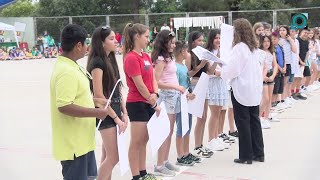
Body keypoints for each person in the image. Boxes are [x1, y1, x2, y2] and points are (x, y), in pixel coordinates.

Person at [50, 24, 110, 180]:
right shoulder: (66, 72)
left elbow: (77, 97)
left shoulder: (73, 67)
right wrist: (96, 112)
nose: (87, 47)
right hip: (74, 146)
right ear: (78, 45)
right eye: (85, 43)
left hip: (84, 143)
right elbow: (64, 106)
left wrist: (94, 101)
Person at [221, 18, 265, 164]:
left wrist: (220, 72)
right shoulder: (254, 48)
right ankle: (258, 153)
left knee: (242, 122)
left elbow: (233, 70)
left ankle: (246, 155)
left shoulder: (239, 47)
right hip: (253, 89)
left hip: (241, 89)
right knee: (254, 121)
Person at [87, 26, 128, 180]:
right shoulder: (97, 63)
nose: (115, 41)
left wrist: (124, 111)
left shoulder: (110, 59)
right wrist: (116, 118)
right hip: (105, 114)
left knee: (107, 155)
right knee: (114, 157)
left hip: (115, 109)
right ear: (102, 43)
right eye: (111, 39)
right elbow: (98, 95)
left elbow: (116, 88)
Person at [123, 23, 160, 180]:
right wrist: (151, 100)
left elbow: (152, 78)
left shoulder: (145, 56)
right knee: (136, 141)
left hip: (149, 101)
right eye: (146, 36)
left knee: (144, 139)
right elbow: (139, 83)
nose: (148, 39)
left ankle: (143, 172)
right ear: (136, 36)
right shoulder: (130, 57)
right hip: (137, 103)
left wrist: (156, 94)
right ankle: (135, 175)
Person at [152, 30, 184, 177]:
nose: (174, 44)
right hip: (167, 96)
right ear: (164, 42)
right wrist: (175, 87)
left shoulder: (168, 58)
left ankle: (164, 161)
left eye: (174, 42)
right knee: (165, 131)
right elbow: (156, 83)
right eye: (171, 42)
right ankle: (159, 164)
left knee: (170, 131)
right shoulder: (160, 59)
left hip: (174, 95)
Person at [185, 31, 213, 158]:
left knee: (204, 116)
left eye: (203, 40)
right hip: (195, 85)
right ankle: (197, 146)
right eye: (199, 40)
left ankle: (200, 144)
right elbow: (188, 74)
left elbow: (210, 72)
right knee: (198, 116)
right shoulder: (190, 55)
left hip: (204, 83)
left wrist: (216, 61)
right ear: (193, 42)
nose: (202, 43)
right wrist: (200, 65)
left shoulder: (203, 54)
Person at [174, 40, 201, 167]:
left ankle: (186, 152)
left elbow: (187, 78)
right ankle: (180, 155)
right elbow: (177, 86)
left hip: (187, 100)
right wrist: (186, 94)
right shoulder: (175, 67)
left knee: (187, 127)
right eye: (186, 51)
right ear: (182, 51)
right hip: (181, 101)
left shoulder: (183, 66)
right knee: (181, 128)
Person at [205, 29, 231, 152]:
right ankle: (211, 140)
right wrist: (217, 59)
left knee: (219, 112)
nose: (218, 40)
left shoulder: (223, 51)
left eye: (220, 38)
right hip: (213, 83)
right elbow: (211, 71)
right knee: (214, 114)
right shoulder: (209, 53)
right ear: (211, 39)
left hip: (221, 83)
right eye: (216, 38)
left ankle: (216, 137)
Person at [259, 35, 279, 128]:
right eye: (264, 41)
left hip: (271, 74)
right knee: (265, 98)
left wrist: (273, 75)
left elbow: (275, 65)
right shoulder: (259, 52)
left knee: (269, 99)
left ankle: (266, 118)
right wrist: (264, 76)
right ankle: (258, 118)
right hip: (262, 75)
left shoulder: (272, 52)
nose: (266, 43)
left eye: (268, 41)